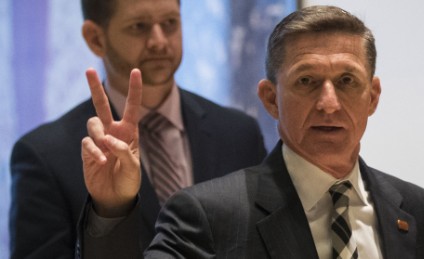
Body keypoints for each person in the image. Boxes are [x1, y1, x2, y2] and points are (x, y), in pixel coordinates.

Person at [80, 5, 424, 258]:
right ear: (271, 99)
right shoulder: (209, 214)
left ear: (372, 97)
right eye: (306, 81)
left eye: (347, 81)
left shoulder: (421, 212)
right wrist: (113, 211)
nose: (329, 103)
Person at [9, 0, 267, 258]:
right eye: (139, 26)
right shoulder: (45, 155)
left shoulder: (239, 133)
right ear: (95, 38)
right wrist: (109, 210)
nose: (159, 41)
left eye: (170, 23)